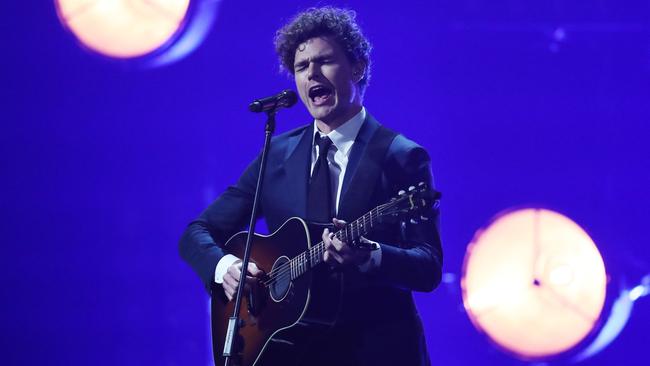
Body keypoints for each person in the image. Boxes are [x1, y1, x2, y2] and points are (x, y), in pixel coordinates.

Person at [180, 6, 442, 366]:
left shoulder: (400, 155)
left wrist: (372, 256)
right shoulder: (277, 155)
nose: (311, 74)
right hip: (288, 351)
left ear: (358, 67)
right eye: (302, 68)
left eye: (325, 62)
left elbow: (428, 266)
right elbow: (198, 232)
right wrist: (225, 267)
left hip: (375, 351)